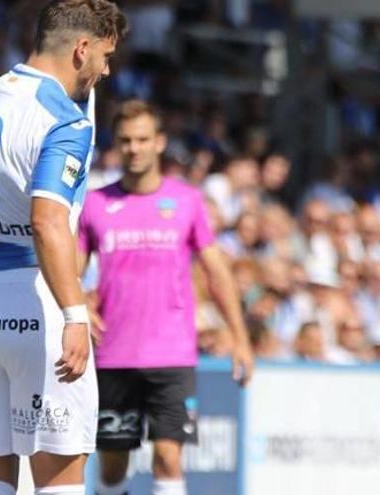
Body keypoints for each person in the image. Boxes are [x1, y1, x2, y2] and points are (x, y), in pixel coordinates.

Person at [0, 2, 127, 495]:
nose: (106, 70)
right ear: (81, 49)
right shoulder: (64, 119)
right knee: (59, 486)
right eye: (105, 57)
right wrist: (75, 313)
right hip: (37, 303)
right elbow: (47, 221)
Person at [77, 100, 254, 495]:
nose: (134, 148)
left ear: (159, 142)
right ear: (116, 145)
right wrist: (78, 306)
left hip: (172, 355)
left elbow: (217, 273)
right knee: (111, 468)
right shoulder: (95, 204)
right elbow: (68, 270)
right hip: (113, 354)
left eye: (142, 139)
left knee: (169, 458)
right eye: (125, 140)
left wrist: (240, 339)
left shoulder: (187, 201)